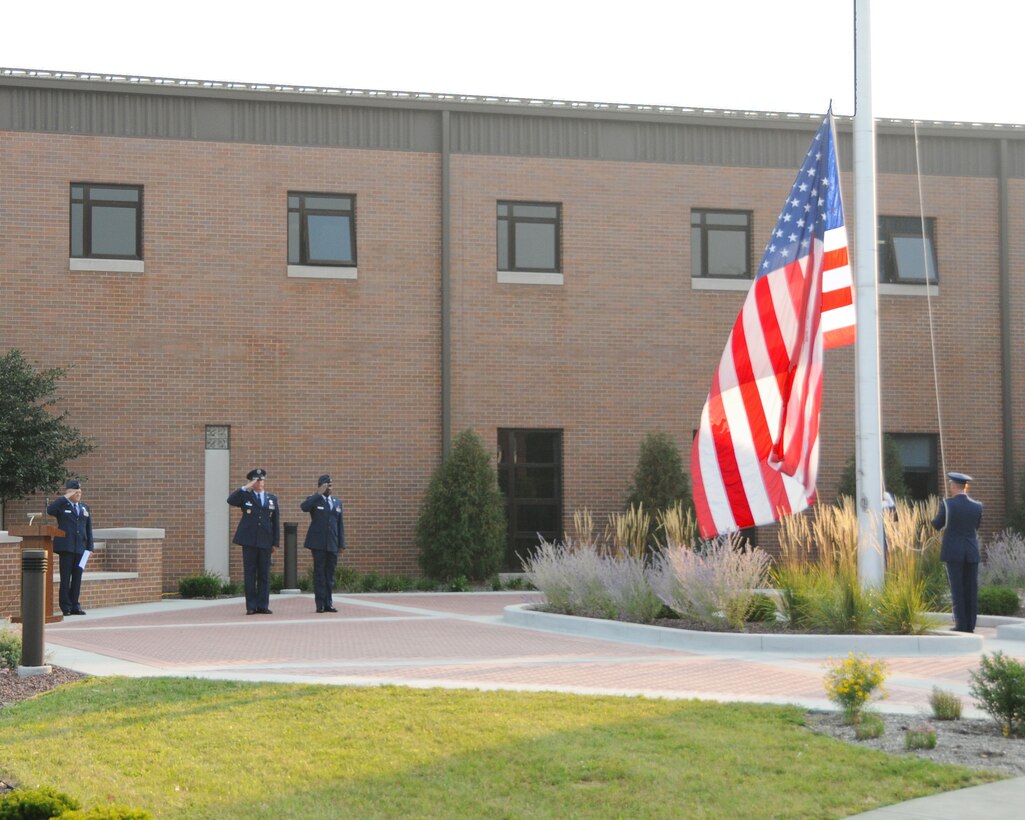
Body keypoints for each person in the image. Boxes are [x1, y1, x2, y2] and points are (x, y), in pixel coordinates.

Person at [932, 471, 983, 633]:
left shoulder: (947, 504)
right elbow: (976, 527)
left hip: (953, 551)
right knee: (971, 588)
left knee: (957, 588)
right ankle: (971, 624)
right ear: (966, 487)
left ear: (954, 486)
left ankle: (961, 624)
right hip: (971, 551)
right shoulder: (977, 506)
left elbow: (937, 524)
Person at [227, 468, 279, 615]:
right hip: (249, 541)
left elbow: (275, 521)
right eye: (256, 480)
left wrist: (275, 543)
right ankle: (251, 606)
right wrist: (245, 487)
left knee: (264, 574)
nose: (259, 483)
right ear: (252, 482)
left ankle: (263, 605)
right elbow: (230, 500)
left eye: (261, 480)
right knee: (250, 573)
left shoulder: (271, 499)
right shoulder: (246, 496)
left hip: (265, 541)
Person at [45, 478, 94, 616]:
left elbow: (88, 528)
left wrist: (90, 548)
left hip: (81, 549)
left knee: (77, 579)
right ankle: (65, 607)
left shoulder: (85, 507)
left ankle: (75, 606)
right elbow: (50, 510)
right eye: (75, 492)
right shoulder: (62, 506)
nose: (78, 494)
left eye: (80, 491)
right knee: (65, 578)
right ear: (69, 492)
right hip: (66, 548)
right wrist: (65, 496)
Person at [300, 474, 346, 613]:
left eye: (331, 486)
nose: (330, 488)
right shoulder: (314, 500)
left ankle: (328, 603)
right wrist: (318, 493)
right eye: (327, 486)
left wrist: (341, 544)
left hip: (332, 543)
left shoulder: (337, 502)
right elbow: (304, 507)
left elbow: (340, 524)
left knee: (329, 574)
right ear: (321, 486)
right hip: (318, 543)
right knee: (319, 574)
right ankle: (320, 604)